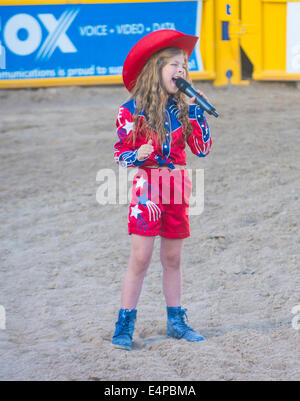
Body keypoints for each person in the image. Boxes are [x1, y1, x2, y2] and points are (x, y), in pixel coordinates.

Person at [112, 30, 212, 350]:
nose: (180, 71)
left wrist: (196, 110)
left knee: (173, 258)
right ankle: (124, 325)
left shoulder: (185, 107)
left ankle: (176, 322)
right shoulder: (131, 111)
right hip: (147, 188)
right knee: (140, 258)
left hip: (177, 186)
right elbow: (119, 152)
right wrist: (135, 155)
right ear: (155, 69)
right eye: (173, 65)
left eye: (183, 65)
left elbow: (202, 148)